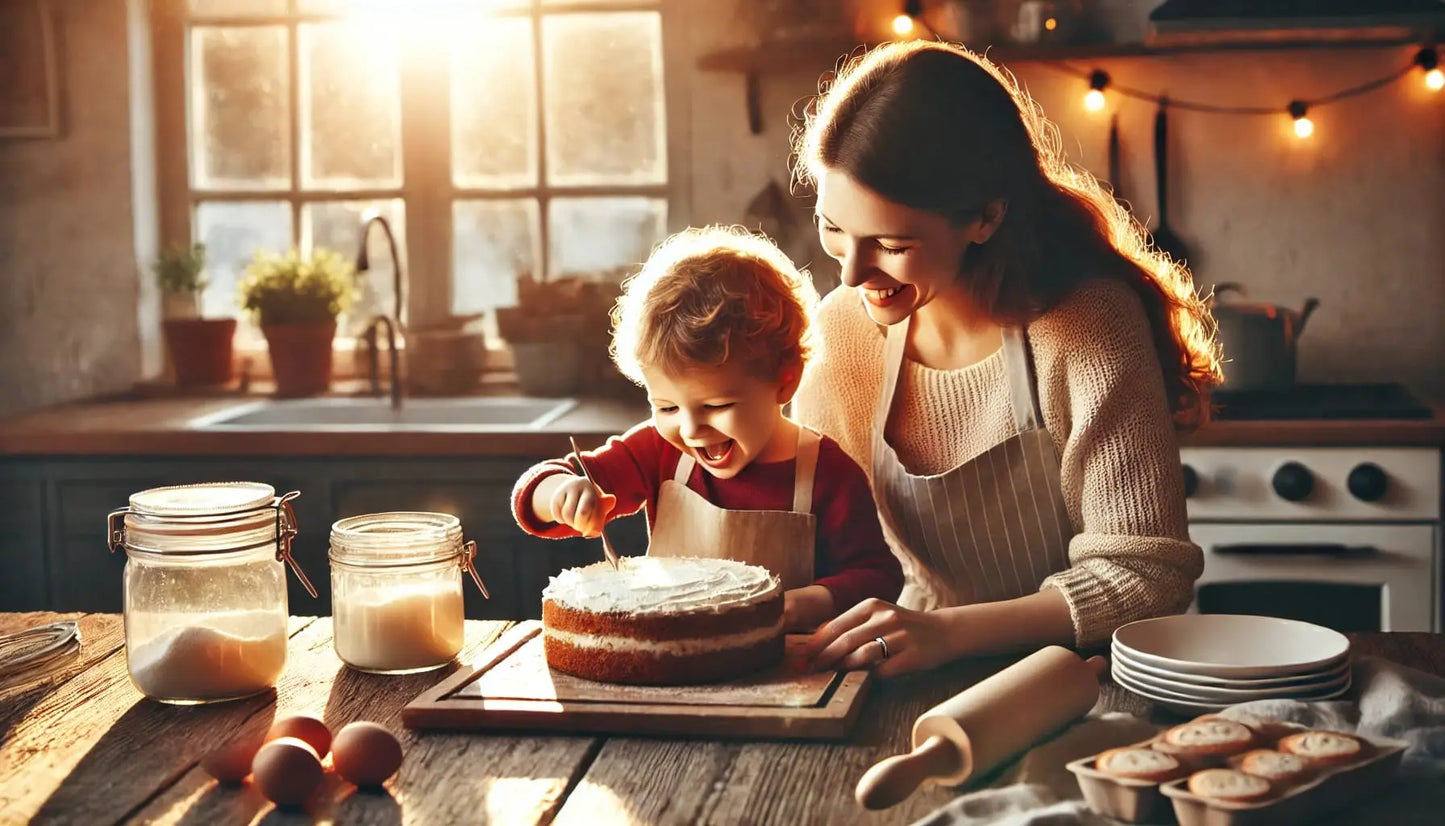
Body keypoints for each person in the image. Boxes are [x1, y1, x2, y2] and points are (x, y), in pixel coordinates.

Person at [791, 41, 1221, 676]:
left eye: (891, 244)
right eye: (833, 229)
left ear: (986, 218)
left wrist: (947, 633)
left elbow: (1145, 575)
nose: (852, 274)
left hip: (1086, 677)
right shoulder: (843, 330)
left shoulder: (1086, 324)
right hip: (909, 668)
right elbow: (812, 535)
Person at [510, 225, 904, 631]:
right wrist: (560, 494)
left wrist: (807, 603)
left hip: (788, 660)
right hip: (671, 658)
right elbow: (537, 494)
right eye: (666, 407)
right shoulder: (658, 452)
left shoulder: (829, 474)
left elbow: (878, 576)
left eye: (716, 406)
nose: (690, 429)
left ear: (785, 381)